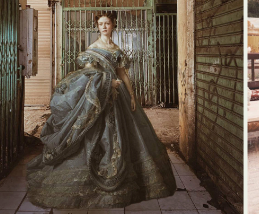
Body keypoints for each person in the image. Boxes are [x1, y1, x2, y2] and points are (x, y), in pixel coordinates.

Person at [27, 12, 176, 208]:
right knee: (99, 134)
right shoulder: (93, 49)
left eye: (107, 23)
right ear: (97, 26)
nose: (104, 26)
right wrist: (108, 82)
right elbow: (88, 75)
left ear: (114, 25)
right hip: (101, 98)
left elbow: (123, 74)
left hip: (118, 97)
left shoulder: (116, 49)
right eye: (100, 24)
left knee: (125, 134)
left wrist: (131, 95)